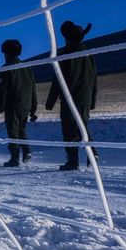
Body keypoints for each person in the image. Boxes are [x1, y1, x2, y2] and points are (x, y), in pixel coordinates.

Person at [45, 21, 98, 171]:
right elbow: (94, 78)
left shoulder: (65, 55)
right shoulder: (88, 54)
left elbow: (58, 79)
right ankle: (93, 153)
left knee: (69, 130)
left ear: (67, 38)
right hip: (85, 97)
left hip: (70, 98)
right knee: (82, 126)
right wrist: (92, 100)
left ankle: (73, 161)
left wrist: (50, 102)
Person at [0, 39, 37, 167]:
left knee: (13, 131)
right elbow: (33, 88)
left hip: (12, 105)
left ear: (6, 53)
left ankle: (14, 158)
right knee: (22, 129)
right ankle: (26, 151)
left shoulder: (6, 68)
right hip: (26, 104)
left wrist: (1, 106)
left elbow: (3, 89)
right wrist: (33, 107)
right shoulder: (27, 67)